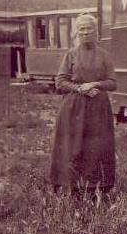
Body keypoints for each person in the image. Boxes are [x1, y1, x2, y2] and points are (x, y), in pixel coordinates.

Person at [50, 14, 117, 196]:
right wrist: (80, 88)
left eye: (89, 28)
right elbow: (60, 82)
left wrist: (95, 84)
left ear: (96, 32)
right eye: (82, 29)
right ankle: (71, 187)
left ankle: (97, 189)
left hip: (98, 109)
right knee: (74, 147)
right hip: (74, 108)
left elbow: (112, 82)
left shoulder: (105, 56)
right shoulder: (70, 55)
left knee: (96, 148)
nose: (86, 32)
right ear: (76, 33)